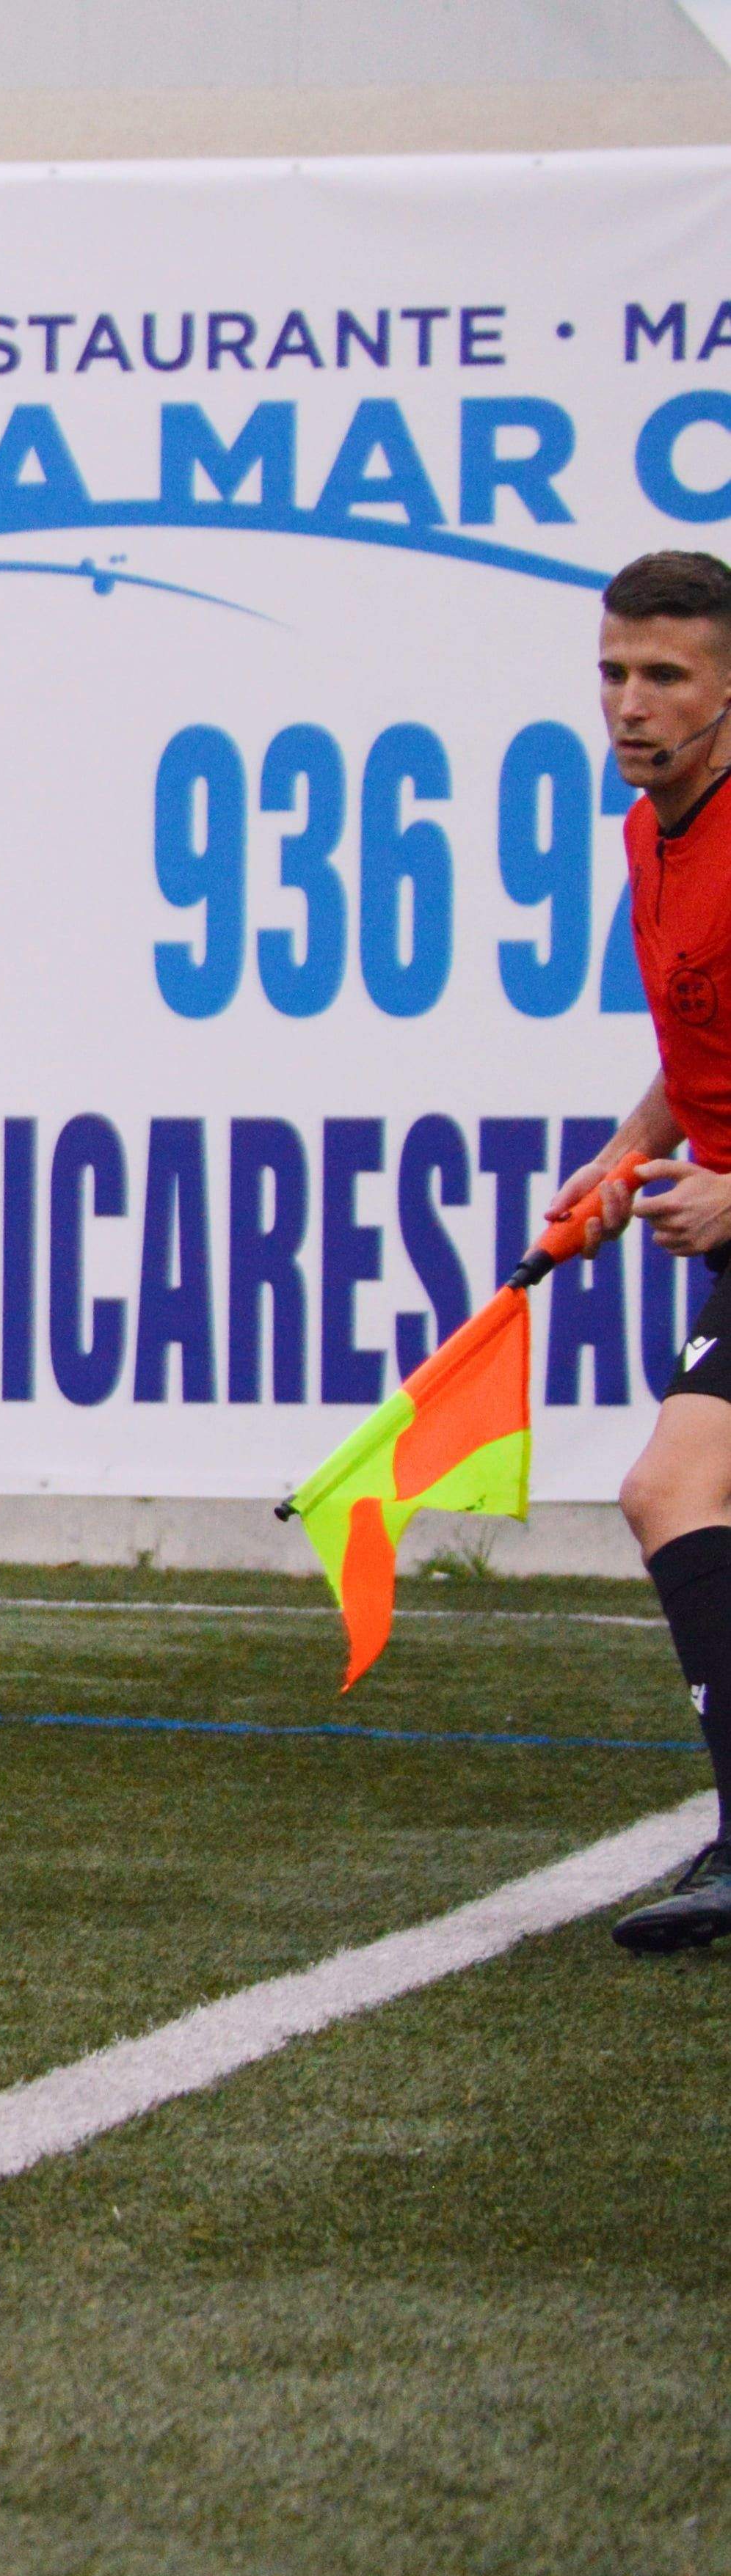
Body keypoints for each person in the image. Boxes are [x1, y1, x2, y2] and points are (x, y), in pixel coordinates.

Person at [551, 547, 731, 1953]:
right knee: (678, 1492)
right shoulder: (648, 829)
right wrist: (623, 1160)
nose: (629, 703)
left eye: (664, 676)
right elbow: (697, 1058)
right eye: (615, 671)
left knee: (669, 1489)